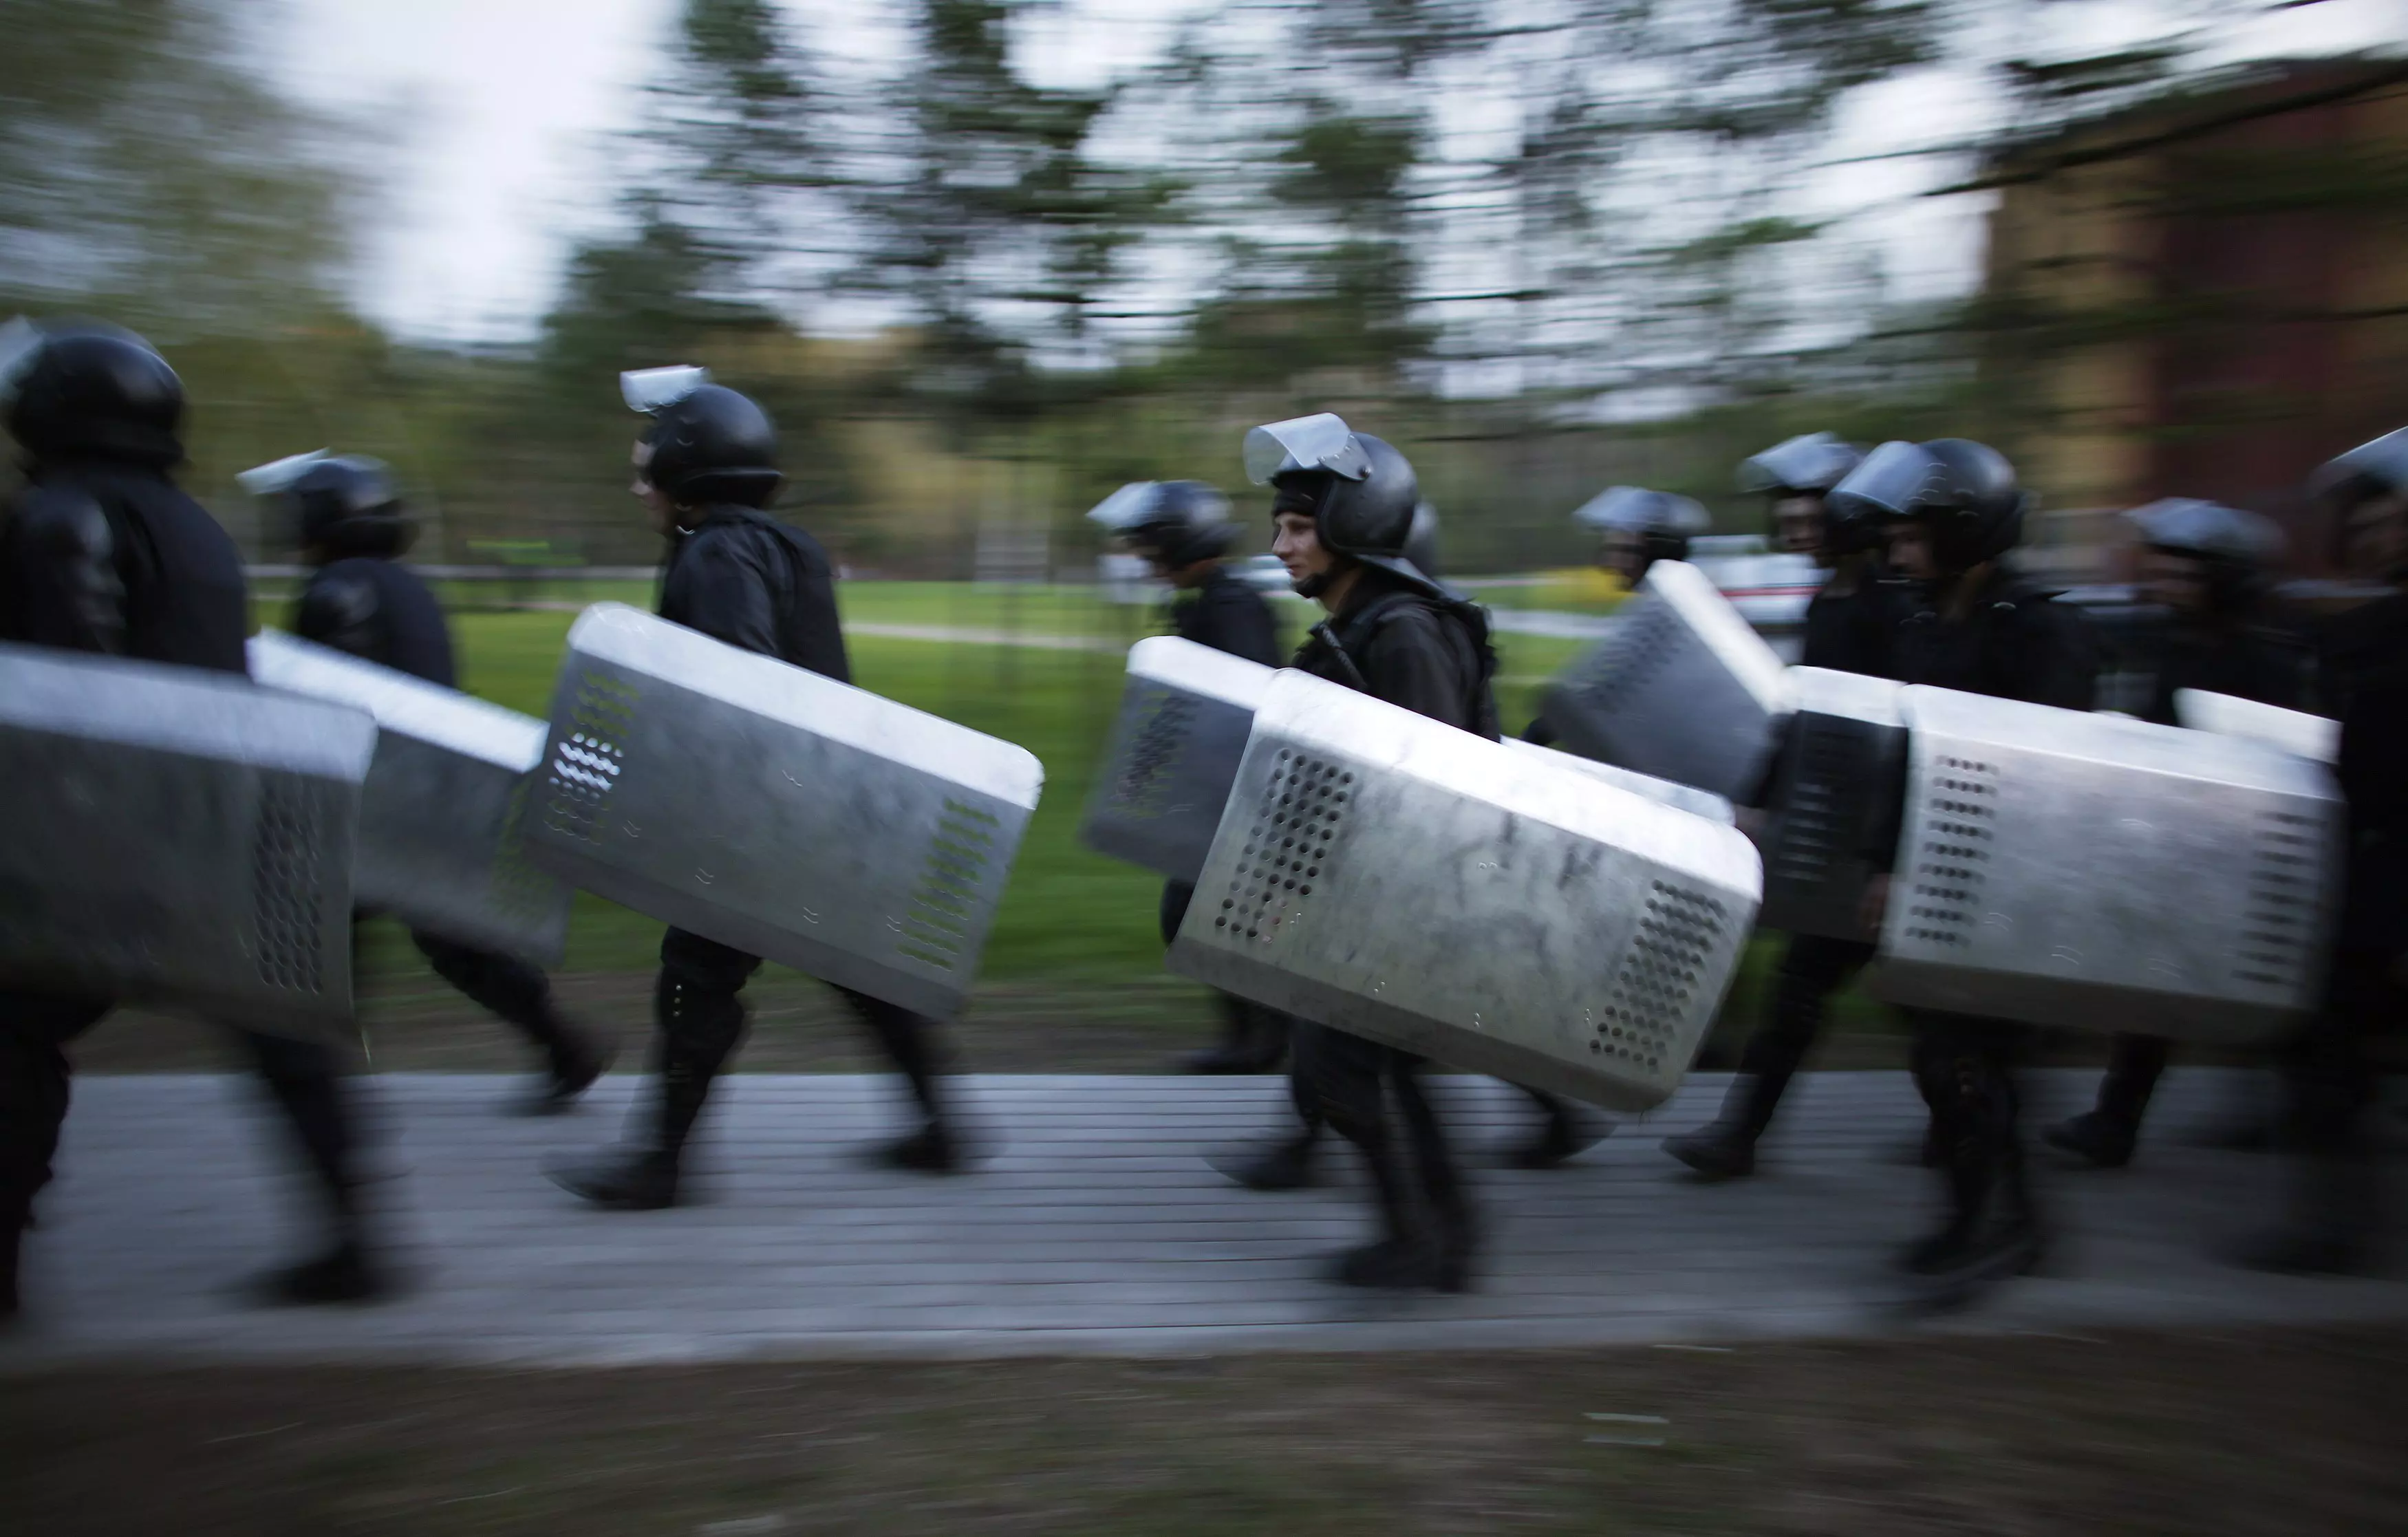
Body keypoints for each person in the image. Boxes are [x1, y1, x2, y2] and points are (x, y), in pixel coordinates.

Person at [0, 318, 388, 1312]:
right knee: (281, 1030)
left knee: (15, 1032)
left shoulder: (61, 515)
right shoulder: (196, 526)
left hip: (102, 834)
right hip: (224, 819)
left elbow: (71, 695)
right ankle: (356, 1233)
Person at [548, 369, 960, 1211]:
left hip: (759, 808)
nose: (637, 487)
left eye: (646, 470)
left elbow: (741, 684)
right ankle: (942, 1125)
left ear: (687, 471)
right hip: (826, 791)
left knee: (695, 976)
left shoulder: (716, 551)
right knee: (856, 964)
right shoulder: (788, 543)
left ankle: (661, 1161)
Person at [245, 451, 612, 1115]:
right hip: (435, 785)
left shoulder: (335, 591)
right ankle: (565, 1047)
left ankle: (320, 1083)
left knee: (323, 932)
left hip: (375, 793)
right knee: (449, 941)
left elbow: (327, 702)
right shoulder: (402, 583)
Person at [1227, 413, 1498, 1289]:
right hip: (1364, 895)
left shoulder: (1402, 631)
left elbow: (1426, 785)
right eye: (1279, 526)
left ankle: (1425, 1238)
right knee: (1372, 1070)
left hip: (1400, 899)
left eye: (1299, 527)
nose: (1279, 545)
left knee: (1343, 1066)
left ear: (1358, 523)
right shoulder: (1358, 626)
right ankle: (1441, 1239)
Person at [1836, 437, 2098, 1304]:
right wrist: (1881, 864)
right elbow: (1907, 754)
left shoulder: (2038, 630)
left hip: (2013, 884)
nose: (1896, 553)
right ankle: (1982, 1217)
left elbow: (2055, 772)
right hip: (1936, 873)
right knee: (1941, 1060)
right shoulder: (1926, 624)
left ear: (1965, 531)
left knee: (1975, 1061)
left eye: (1912, 538)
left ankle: (2004, 1226)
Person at [2045, 498, 2307, 1170]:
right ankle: (2115, 1120)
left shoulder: (2264, 655)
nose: (2163, 585)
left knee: (2277, 991)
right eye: (2159, 571)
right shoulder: (2167, 645)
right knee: (2155, 987)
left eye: (2181, 574)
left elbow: (2278, 753)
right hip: (2184, 839)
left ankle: (2294, 1114)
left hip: (2252, 846)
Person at [1663, 431, 1895, 1179]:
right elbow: (1806, 715)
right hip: (1848, 830)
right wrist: (1758, 799)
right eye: (1787, 524)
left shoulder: (1893, 606)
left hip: (1894, 836)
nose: (1796, 535)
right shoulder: (1829, 603)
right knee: (1805, 985)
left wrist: (1886, 856)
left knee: (1939, 1020)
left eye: (1810, 522)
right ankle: (1740, 1135)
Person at [2235, 427, 2408, 1273]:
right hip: (2369, 871)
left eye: (2390, 518)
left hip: (2389, 871)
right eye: (2367, 521)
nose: (2375, 535)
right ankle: (2334, 1220)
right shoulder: (2370, 626)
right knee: (2325, 1040)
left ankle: (2338, 1226)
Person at [1086, 480, 1288, 1073]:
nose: (1144, 560)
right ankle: (1260, 1038)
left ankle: (1264, 1039)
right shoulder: (1206, 601)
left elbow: (1247, 706)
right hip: (1217, 795)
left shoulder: (1232, 607)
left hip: (1243, 798)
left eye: (1150, 548)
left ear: (1179, 543)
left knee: (1198, 915)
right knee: (1198, 917)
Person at [1573, 484, 1712, 589]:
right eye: (1608, 550)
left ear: (1658, 552)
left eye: (1626, 550)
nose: (1611, 562)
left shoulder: (1661, 602)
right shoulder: (1663, 594)